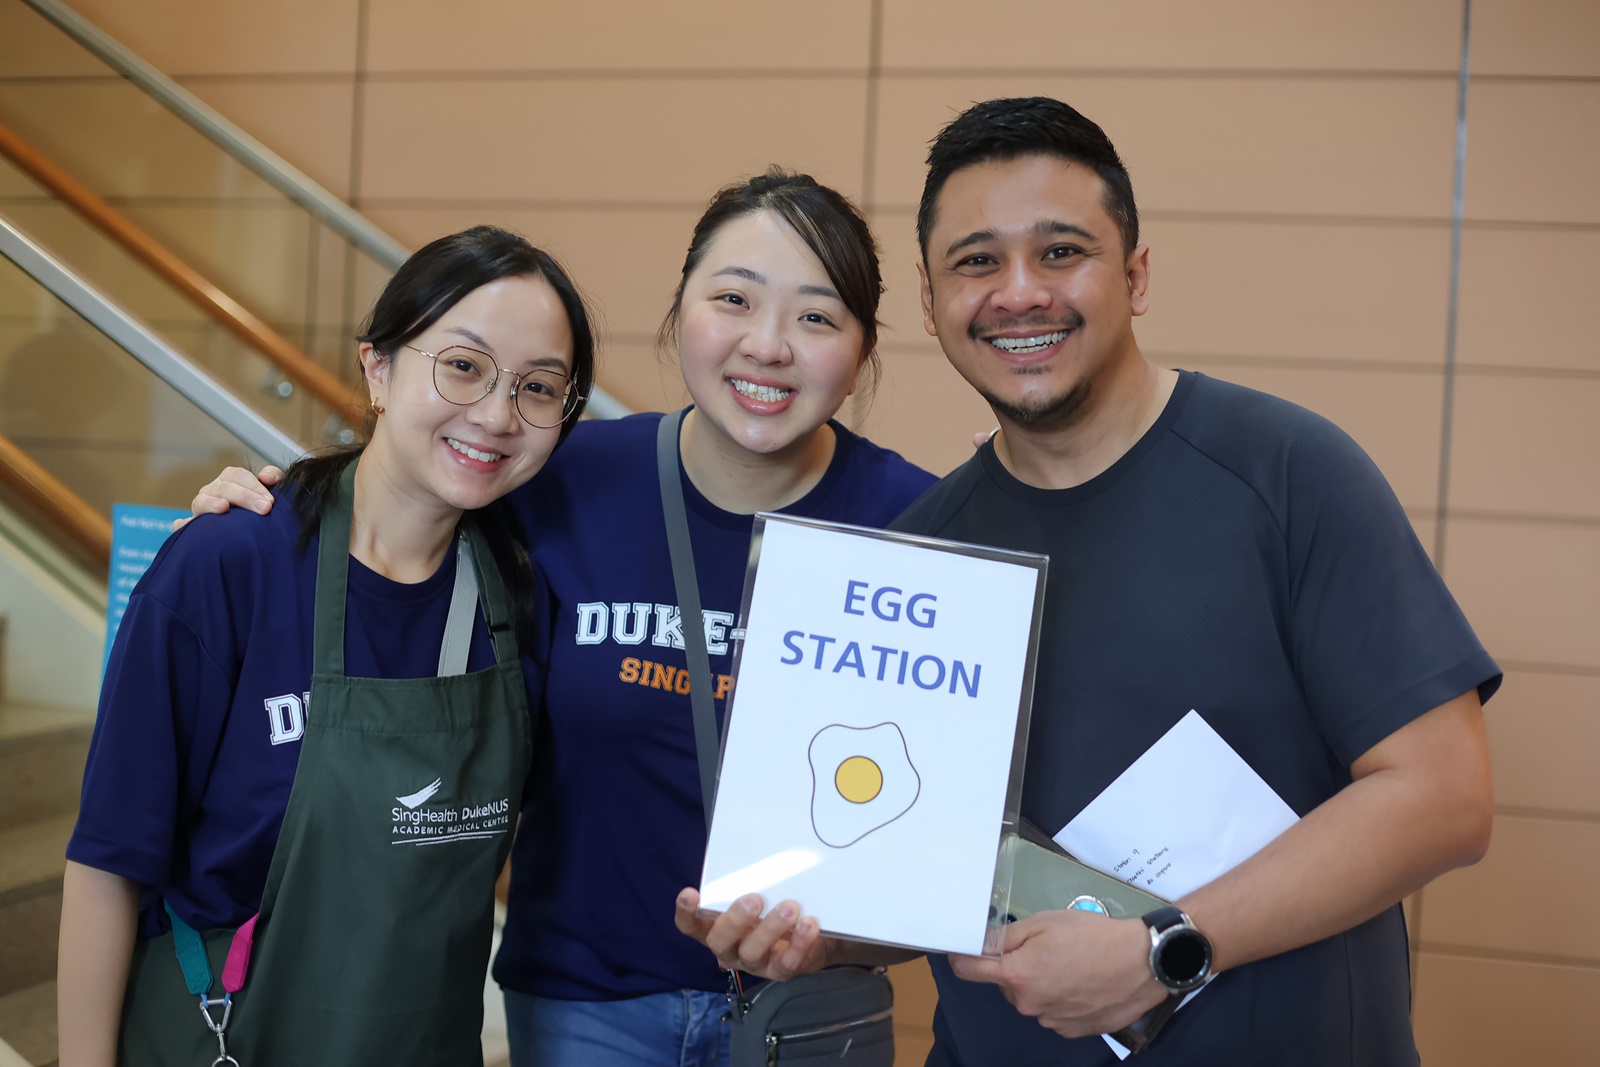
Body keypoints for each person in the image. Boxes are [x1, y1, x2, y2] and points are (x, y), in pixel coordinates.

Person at [677, 98, 1499, 1066]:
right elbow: (935, 875)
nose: (1019, 292)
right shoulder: (922, 557)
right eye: (976, 261)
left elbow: (1444, 798)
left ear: (1135, 273)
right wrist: (826, 931)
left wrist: (1165, 946)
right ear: (933, 298)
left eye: (1061, 251)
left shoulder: (1284, 471)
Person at [184, 169, 938, 1067]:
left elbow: (939, 850)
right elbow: (397, 526)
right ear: (680, 313)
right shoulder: (561, 480)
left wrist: (836, 945)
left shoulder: (921, 529)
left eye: (817, 317)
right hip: (587, 1007)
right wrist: (267, 516)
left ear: (862, 350)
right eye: (733, 298)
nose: (767, 344)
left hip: (811, 1013)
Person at [59, 225, 596, 1067]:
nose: (497, 413)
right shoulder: (229, 562)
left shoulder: (524, 603)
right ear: (378, 367)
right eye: (462, 365)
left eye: (540, 387)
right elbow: (107, 860)